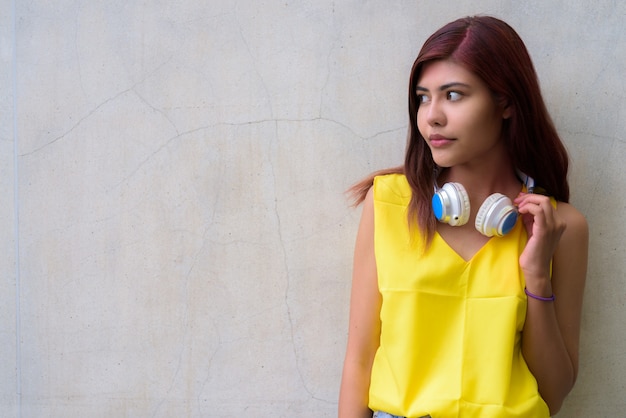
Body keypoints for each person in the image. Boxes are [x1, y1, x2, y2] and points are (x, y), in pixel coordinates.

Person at [338, 16, 588, 418]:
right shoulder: (387, 203)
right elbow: (359, 361)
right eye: (423, 97)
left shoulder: (561, 227)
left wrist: (537, 275)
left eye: (453, 95)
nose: (431, 116)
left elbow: (553, 394)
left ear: (505, 102)